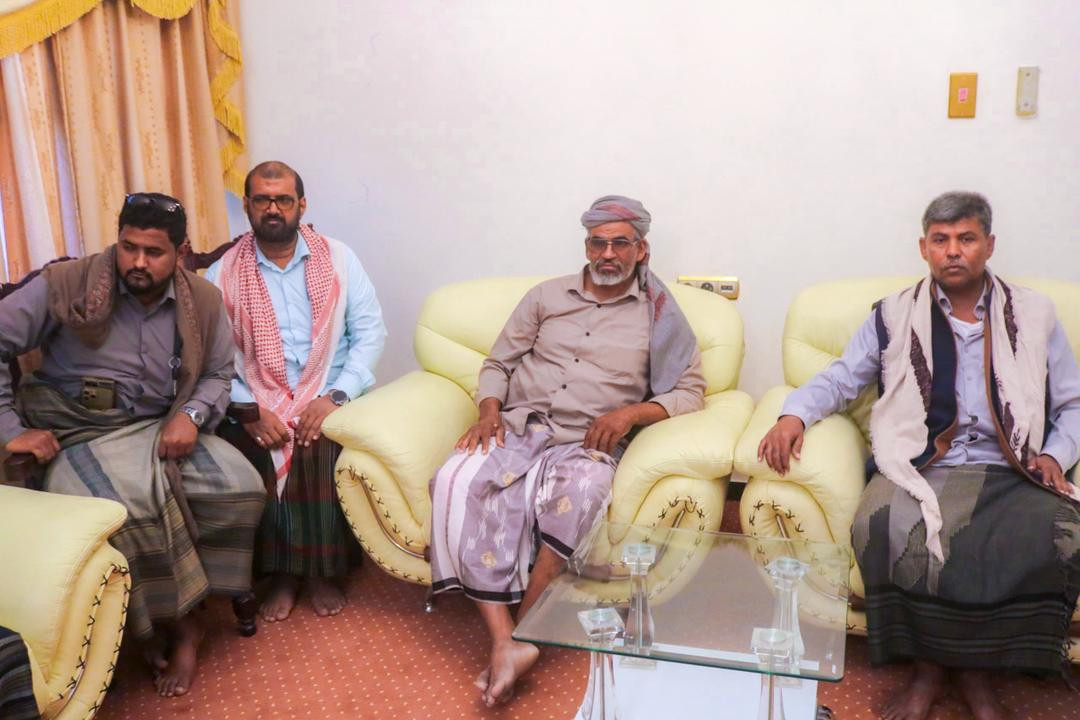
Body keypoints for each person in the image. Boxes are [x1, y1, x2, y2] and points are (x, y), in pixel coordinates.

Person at [757, 191, 1080, 720]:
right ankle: (929, 671)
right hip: (920, 463)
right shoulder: (893, 314)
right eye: (940, 239)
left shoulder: (1034, 313)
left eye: (966, 239)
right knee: (880, 523)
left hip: (1011, 466)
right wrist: (793, 416)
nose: (953, 251)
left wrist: (1054, 453)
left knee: (1057, 531)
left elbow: (1072, 403)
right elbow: (841, 379)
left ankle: (977, 674)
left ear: (989, 245)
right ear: (923, 247)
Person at [428, 195, 706, 706]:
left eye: (620, 243)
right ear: (586, 246)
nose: (607, 254)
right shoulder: (545, 296)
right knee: (454, 477)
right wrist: (488, 412)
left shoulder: (660, 315)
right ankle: (505, 639)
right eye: (598, 243)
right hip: (518, 425)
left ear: (641, 250)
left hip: (585, 441)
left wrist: (629, 415)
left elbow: (690, 392)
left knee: (583, 492)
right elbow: (498, 363)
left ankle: (525, 628)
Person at [0, 193, 266, 697]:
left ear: (180, 252)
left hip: (159, 425)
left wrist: (190, 415)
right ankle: (174, 625)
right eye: (129, 247)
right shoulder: (68, 284)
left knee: (240, 486)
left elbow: (217, 374)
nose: (138, 262)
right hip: (77, 431)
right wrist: (11, 430)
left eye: (154, 252)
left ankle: (192, 604)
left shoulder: (202, 300)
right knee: (125, 510)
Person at [206, 161, 386, 622]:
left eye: (283, 200)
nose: (273, 209)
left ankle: (321, 573)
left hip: (329, 390)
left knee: (316, 441)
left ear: (301, 205)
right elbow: (214, 357)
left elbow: (370, 333)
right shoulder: (223, 273)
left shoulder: (339, 258)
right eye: (262, 200)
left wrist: (336, 396)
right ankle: (283, 575)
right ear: (247, 205)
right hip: (256, 398)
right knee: (260, 445)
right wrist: (249, 409)